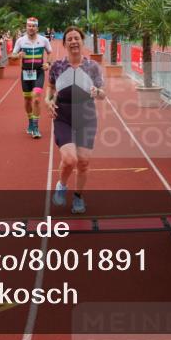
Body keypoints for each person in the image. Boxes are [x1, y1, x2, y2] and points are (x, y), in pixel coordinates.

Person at [45, 26, 105, 214]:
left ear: (82, 41)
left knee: (84, 162)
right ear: (64, 44)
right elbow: (50, 87)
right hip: (63, 116)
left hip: (86, 117)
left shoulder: (92, 67)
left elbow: (103, 94)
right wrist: (48, 100)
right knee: (70, 159)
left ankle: (78, 197)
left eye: (76, 38)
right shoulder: (58, 66)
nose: (73, 41)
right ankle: (62, 185)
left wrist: (97, 92)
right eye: (69, 39)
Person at [10, 17, 52, 138]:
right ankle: (30, 121)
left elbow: (49, 52)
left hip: (39, 73)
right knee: (27, 100)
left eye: (33, 26)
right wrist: (18, 55)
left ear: (37, 28)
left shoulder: (44, 40)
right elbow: (12, 56)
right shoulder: (20, 41)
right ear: (26, 27)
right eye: (29, 26)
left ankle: (35, 127)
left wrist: (48, 63)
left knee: (37, 99)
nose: (31, 28)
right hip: (26, 73)